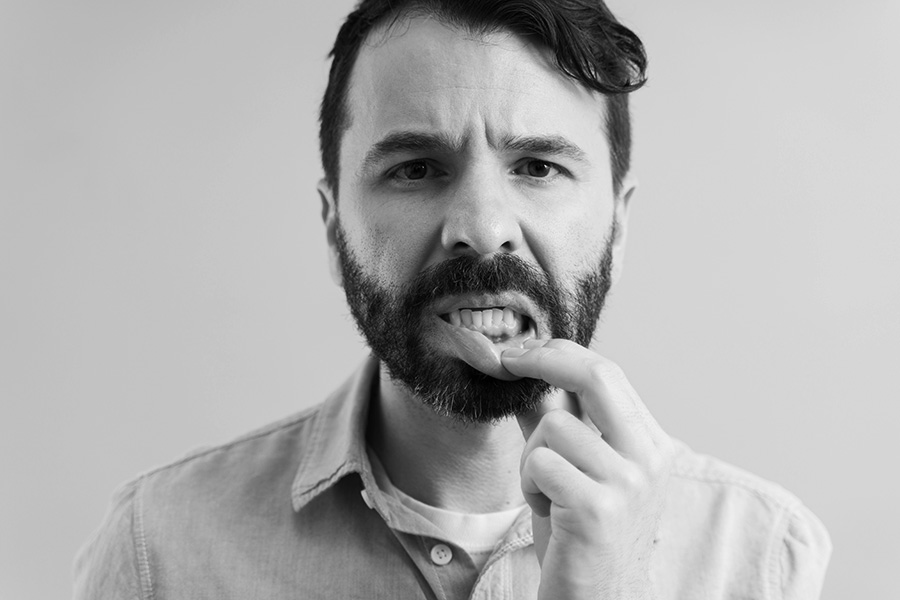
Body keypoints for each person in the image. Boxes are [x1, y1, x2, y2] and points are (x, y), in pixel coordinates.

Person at [74, 1, 832, 598]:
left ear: (619, 226)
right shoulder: (158, 550)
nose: (481, 228)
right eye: (414, 168)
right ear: (335, 225)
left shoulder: (764, 558)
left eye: (536, 166)